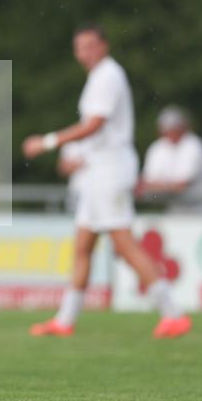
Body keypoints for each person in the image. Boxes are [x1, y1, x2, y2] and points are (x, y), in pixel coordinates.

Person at [22, 23, 190, 339]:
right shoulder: (99, 78)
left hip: (110, 173)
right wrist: (80, 156)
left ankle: (173, 313)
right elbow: (97, 129)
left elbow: (95, 125)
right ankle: (65, 320)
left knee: (124, 244)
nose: (83, 53)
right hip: (98, 172)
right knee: (83, 244)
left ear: (103, 46)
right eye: (79, 47)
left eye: (89, 45)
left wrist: (47, 142)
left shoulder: (108, 75)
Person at [137, 105, 202, 214]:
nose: (169, 132)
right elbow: (146, 184)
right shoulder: (158, 147)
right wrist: (168, 186)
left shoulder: (194, 145)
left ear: (182, 127)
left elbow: (182, 185)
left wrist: (157, 186)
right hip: (176, 209)